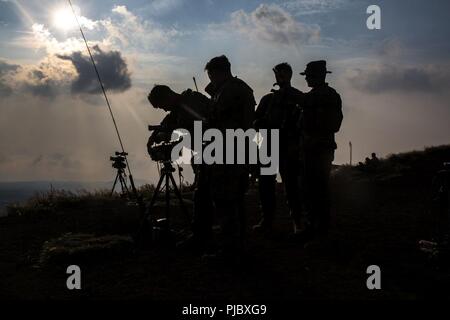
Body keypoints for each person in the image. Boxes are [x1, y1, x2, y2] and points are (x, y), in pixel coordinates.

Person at [147, 85, 214, 251]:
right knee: (203, 196)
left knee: (206, 196)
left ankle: (203, 239)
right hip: (204, 157)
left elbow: (199, 129)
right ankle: (204, 235)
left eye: (161, 105)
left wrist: (172, 139)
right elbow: (165, 126)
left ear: (167, 96)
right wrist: (154, 142)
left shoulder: (192, 102)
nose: (163, 110)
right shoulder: (179, 109)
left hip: (214, 155)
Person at [204, 55, 256, 257]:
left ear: (218, 72)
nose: (210, 80)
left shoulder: (230, 91)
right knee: (236, 200)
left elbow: (222, 122)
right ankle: (238, 244)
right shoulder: (237, 88)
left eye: (211, 75)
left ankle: (229, 249)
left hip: (228, 151)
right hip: (238, 149)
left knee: (225, 200)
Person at [252, 62, 304, 235]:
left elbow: (303, 124)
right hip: (268, 145)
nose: (279, 77)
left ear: (289, 75)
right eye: (277, 74)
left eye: (282, 74)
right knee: (265, 187)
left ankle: (298, 222)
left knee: (292, 187)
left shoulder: (298, 97)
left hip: (288, 146)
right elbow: (254, 121)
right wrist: (259, 124)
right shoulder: (268, 99)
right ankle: (267, 221)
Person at [296, 60, 343, 243]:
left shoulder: (328, 96)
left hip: (319, 151)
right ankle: (311, 229)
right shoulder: (314, 96)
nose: (306, 78)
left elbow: (333, 125)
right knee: (309, 191)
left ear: (317, 76)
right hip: (309, 150)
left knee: (318, 192)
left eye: (309, 75)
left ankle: (321, 234)